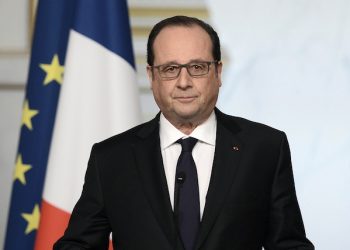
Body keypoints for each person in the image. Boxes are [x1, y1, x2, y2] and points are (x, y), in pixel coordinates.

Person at [54, 16, 314, 250]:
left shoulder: (265, 148)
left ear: (218, 72)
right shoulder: (112, 158)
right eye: (170, 69)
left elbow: (289, 245)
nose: (184, 81)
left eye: (197, 67)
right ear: (151, 77)